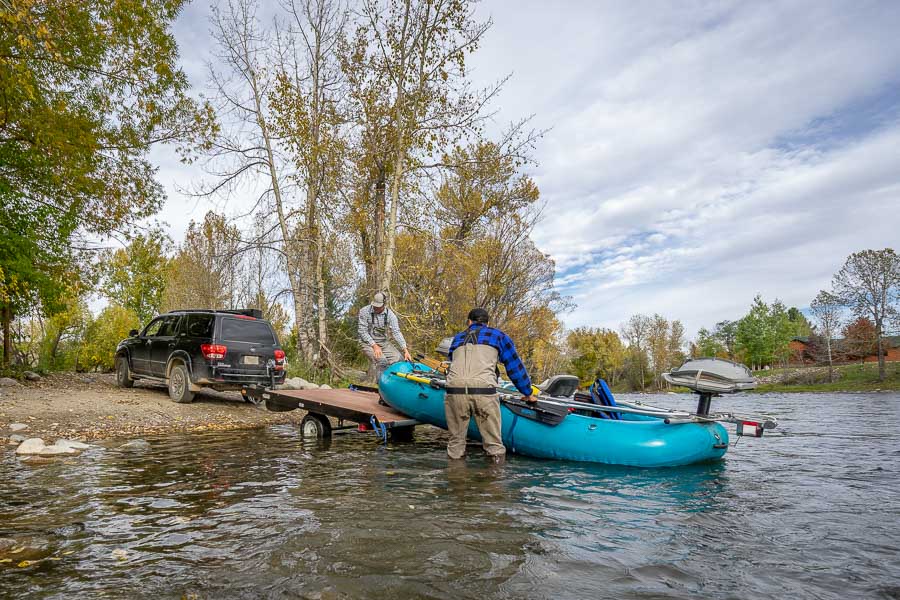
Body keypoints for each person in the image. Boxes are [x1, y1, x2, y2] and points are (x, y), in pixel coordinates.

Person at [444, 308, 535, 463]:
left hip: (454, 391)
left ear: (469, 322)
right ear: (488, 323)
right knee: (494, 446)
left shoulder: (458, 338)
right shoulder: (498, 335)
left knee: (455, 444)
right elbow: (514, 367)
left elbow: (454, 363)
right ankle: (494, 483)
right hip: (483, 391)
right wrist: (527, 392)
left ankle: (455, 482)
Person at [358, 291, 412, 382]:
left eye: (378, 306)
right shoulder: (364, 311)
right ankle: (382, 386)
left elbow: (396, 332)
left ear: (384, 305)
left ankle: (395, 384)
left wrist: (405, 349)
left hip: (383, 342)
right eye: (374, 306)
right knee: (382, 361)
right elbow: (362, 331)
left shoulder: (391, 315)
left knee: (400, 360)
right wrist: (374, 346)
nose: (376, 308)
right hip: (367, 342)